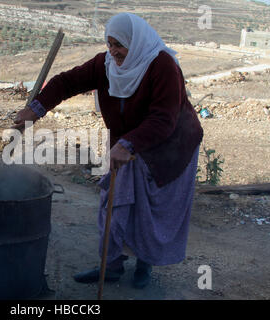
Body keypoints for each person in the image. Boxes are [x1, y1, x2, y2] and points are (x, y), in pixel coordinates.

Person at [13, 12, 203, 289]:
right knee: (113, 202)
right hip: (129, 143)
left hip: (170, 147)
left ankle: (144, 263)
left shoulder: (162, 66)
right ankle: (111, 266)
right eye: (109, 43)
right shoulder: (106, 64)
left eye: (119, 44)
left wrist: (128, 144)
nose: (113, 50)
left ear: (135, 41)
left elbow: (164, 118)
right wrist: (36, 109)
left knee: (149, 210)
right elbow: (66, 82)